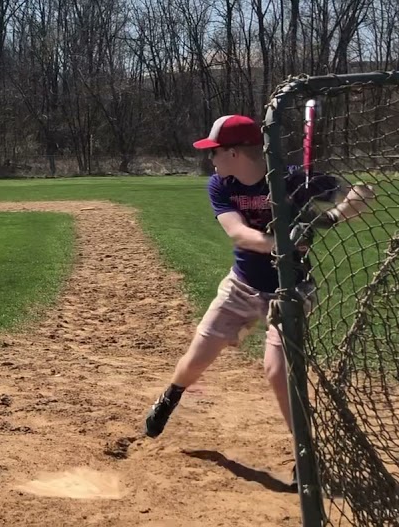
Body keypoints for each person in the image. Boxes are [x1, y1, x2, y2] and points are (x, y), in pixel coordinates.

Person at [142, 115, 374, 463]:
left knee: (277, 371)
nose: (210, 159)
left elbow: (364, 193)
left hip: (290, 291)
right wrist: (283, 241)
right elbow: (238, 233)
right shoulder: (221, 185)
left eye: (214, 151)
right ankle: (170, 397)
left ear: (234, 153)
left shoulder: (293, 179)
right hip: (242, 285)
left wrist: (328, 217)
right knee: (195, 359)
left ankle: (305, 455)